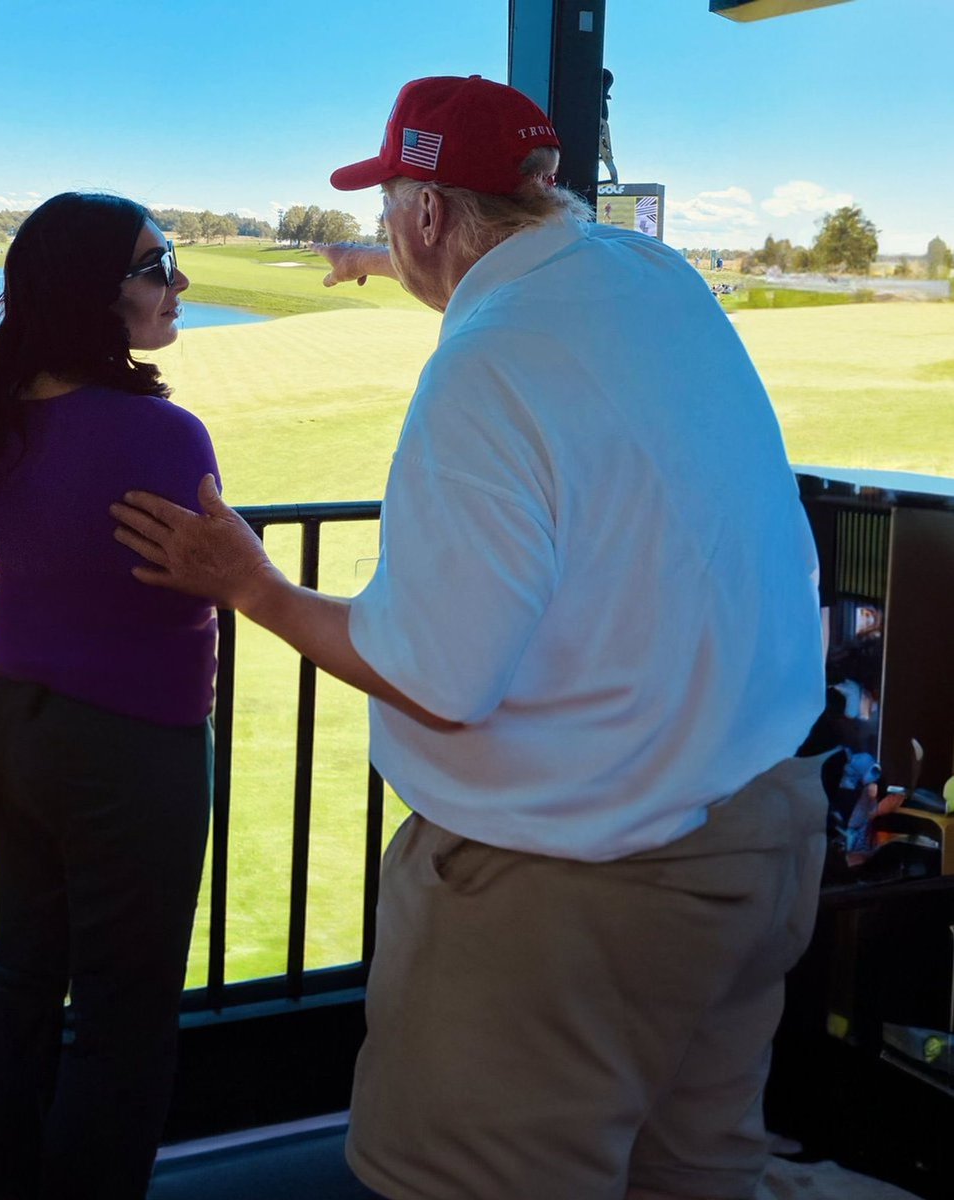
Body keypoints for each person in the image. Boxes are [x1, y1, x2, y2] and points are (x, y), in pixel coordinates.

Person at [112, 75, 828, 1200]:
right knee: (697, 1177)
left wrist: (252, 585)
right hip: (758, 841)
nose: (388, 225)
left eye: (390, 204)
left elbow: (437, 679)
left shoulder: (486, 366)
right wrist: (371, 255)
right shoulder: (656, 277)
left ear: (429, 212)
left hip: (570, 895)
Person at [0, 192, 220, 1200]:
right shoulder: (163, 436)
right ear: (92, 291)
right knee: (124, 1015)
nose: (178, 282)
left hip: (14, 728)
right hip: (133, 750)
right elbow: (197, 584)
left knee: (21, 970)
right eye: (156, 265)